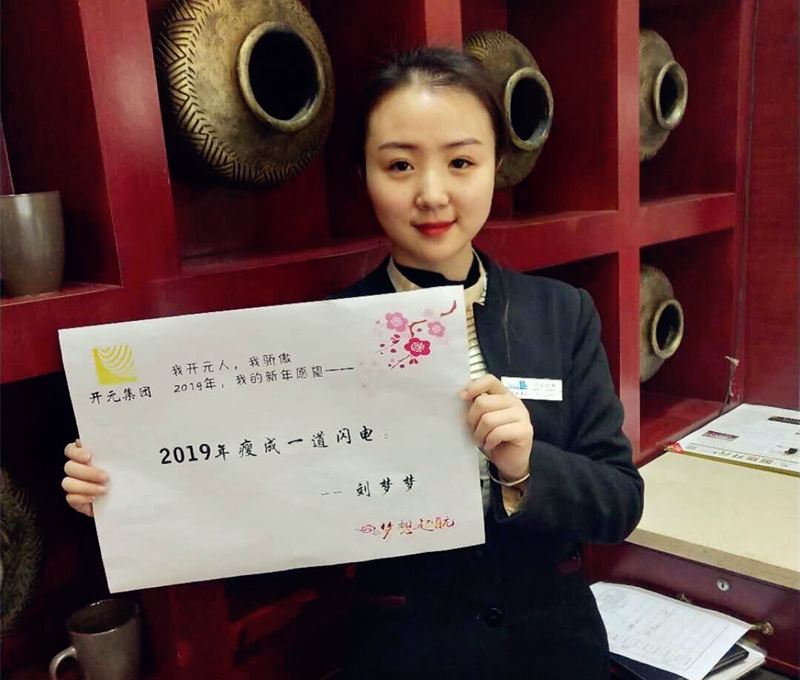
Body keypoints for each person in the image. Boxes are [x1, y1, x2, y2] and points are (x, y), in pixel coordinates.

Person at [62, 47, 644, 679]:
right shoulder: (320, 341)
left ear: (496, 165)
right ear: (363, 174)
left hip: (556, 654)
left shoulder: (561, 313)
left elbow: (619, 501)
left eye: (461, 161)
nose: (432, 194)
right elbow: (263, 507)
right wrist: (133, 490)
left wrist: (526, 466)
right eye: (399, 165)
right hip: (406, 658)